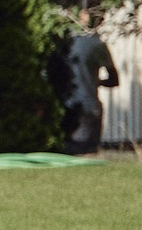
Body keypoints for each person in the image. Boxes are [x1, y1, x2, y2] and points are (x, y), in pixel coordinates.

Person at [50, 18, 120, 156]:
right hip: (88, 105)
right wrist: (96, 81)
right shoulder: (96, 44)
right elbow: (114, 80)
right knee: (88, 153)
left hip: (64, 104)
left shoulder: (60, 41)